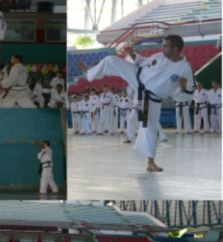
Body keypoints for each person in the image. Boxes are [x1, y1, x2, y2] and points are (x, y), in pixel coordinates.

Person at [79, 35, 194, 172]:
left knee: (149, 127)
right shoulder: (160, 56)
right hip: (137, 77)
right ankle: (89, 73)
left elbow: (187, 96)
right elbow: (142, 62)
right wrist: (132, 54)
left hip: (150, 99)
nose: (162, 48)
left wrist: (183, 88)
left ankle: (150, 162)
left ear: (175, 49)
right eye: (162, 45)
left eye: (165, 46)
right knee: (110, 60)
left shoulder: (184, 69)